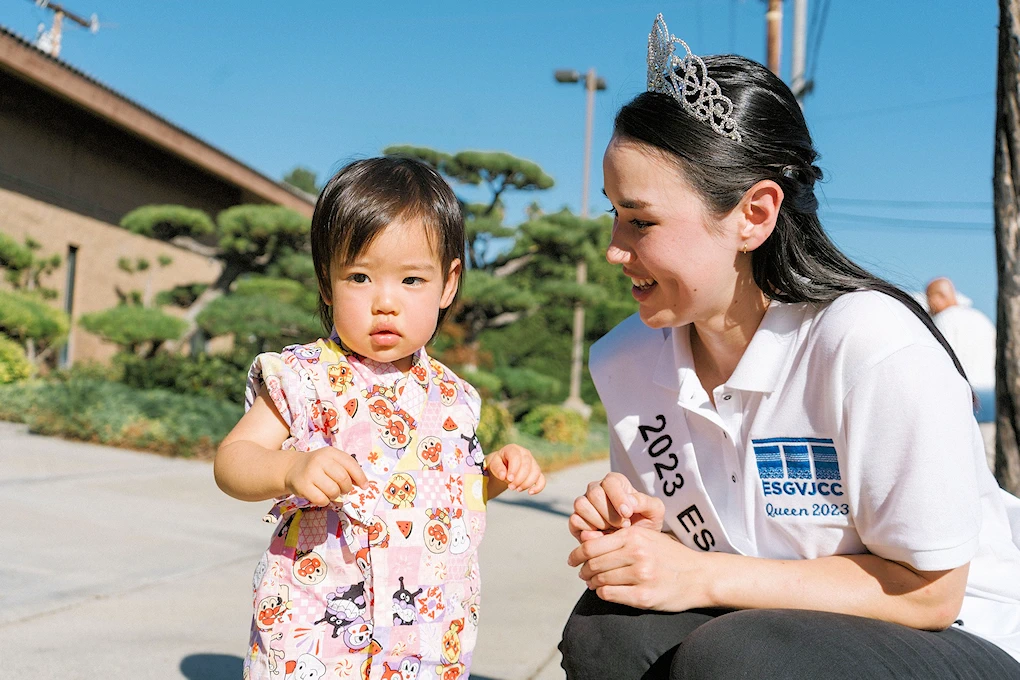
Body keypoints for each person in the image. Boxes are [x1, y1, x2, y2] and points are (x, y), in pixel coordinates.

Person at [559, 13, 1020, 680]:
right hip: (778, 630)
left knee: (743, 657)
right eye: (613, 214)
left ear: (753, 214)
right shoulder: (625, 360)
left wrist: (701, 575)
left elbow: (930, 591)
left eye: (641, 221)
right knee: (607, 632)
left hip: (962, 635)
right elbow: (684, 567)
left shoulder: (870, 346)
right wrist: (638, 539)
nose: (614, 249)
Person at [214, 157, 546, 680]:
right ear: (328, 283)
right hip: (317, 620)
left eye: (412, 279)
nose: (385, 302)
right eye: (361, 277)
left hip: (426, 624)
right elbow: (233, 461)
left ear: (447, 284)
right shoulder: (305, 377)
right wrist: (290, 469)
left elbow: (456, 495)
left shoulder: (454, 397)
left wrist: (495, 476)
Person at [927, 277, 997, 421]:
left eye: (929, 297)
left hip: (966, 400)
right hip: (993, 397)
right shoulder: (981, 318)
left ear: (940, 296)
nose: (928, 305)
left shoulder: (943, 320)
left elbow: (939, 363)